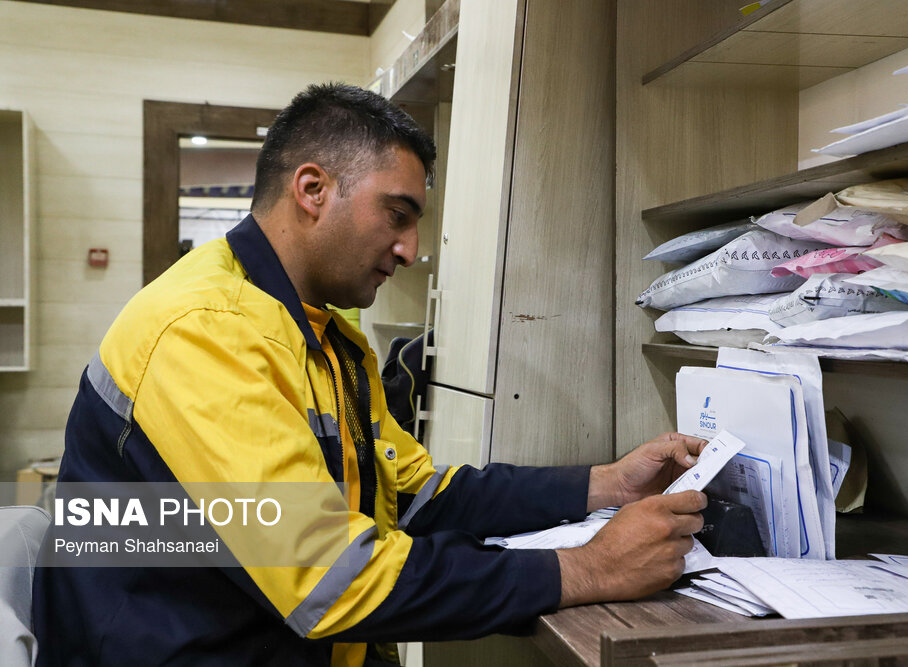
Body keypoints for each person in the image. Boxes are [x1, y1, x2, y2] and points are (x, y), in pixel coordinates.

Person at [32, 82, 707, 666]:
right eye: (398, 214)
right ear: (313, 190)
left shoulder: (325, 335)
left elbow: (416, 494)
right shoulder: (206, 330)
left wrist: (605, 483)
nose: (411, 249)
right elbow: (332, 578)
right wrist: (589, 567)